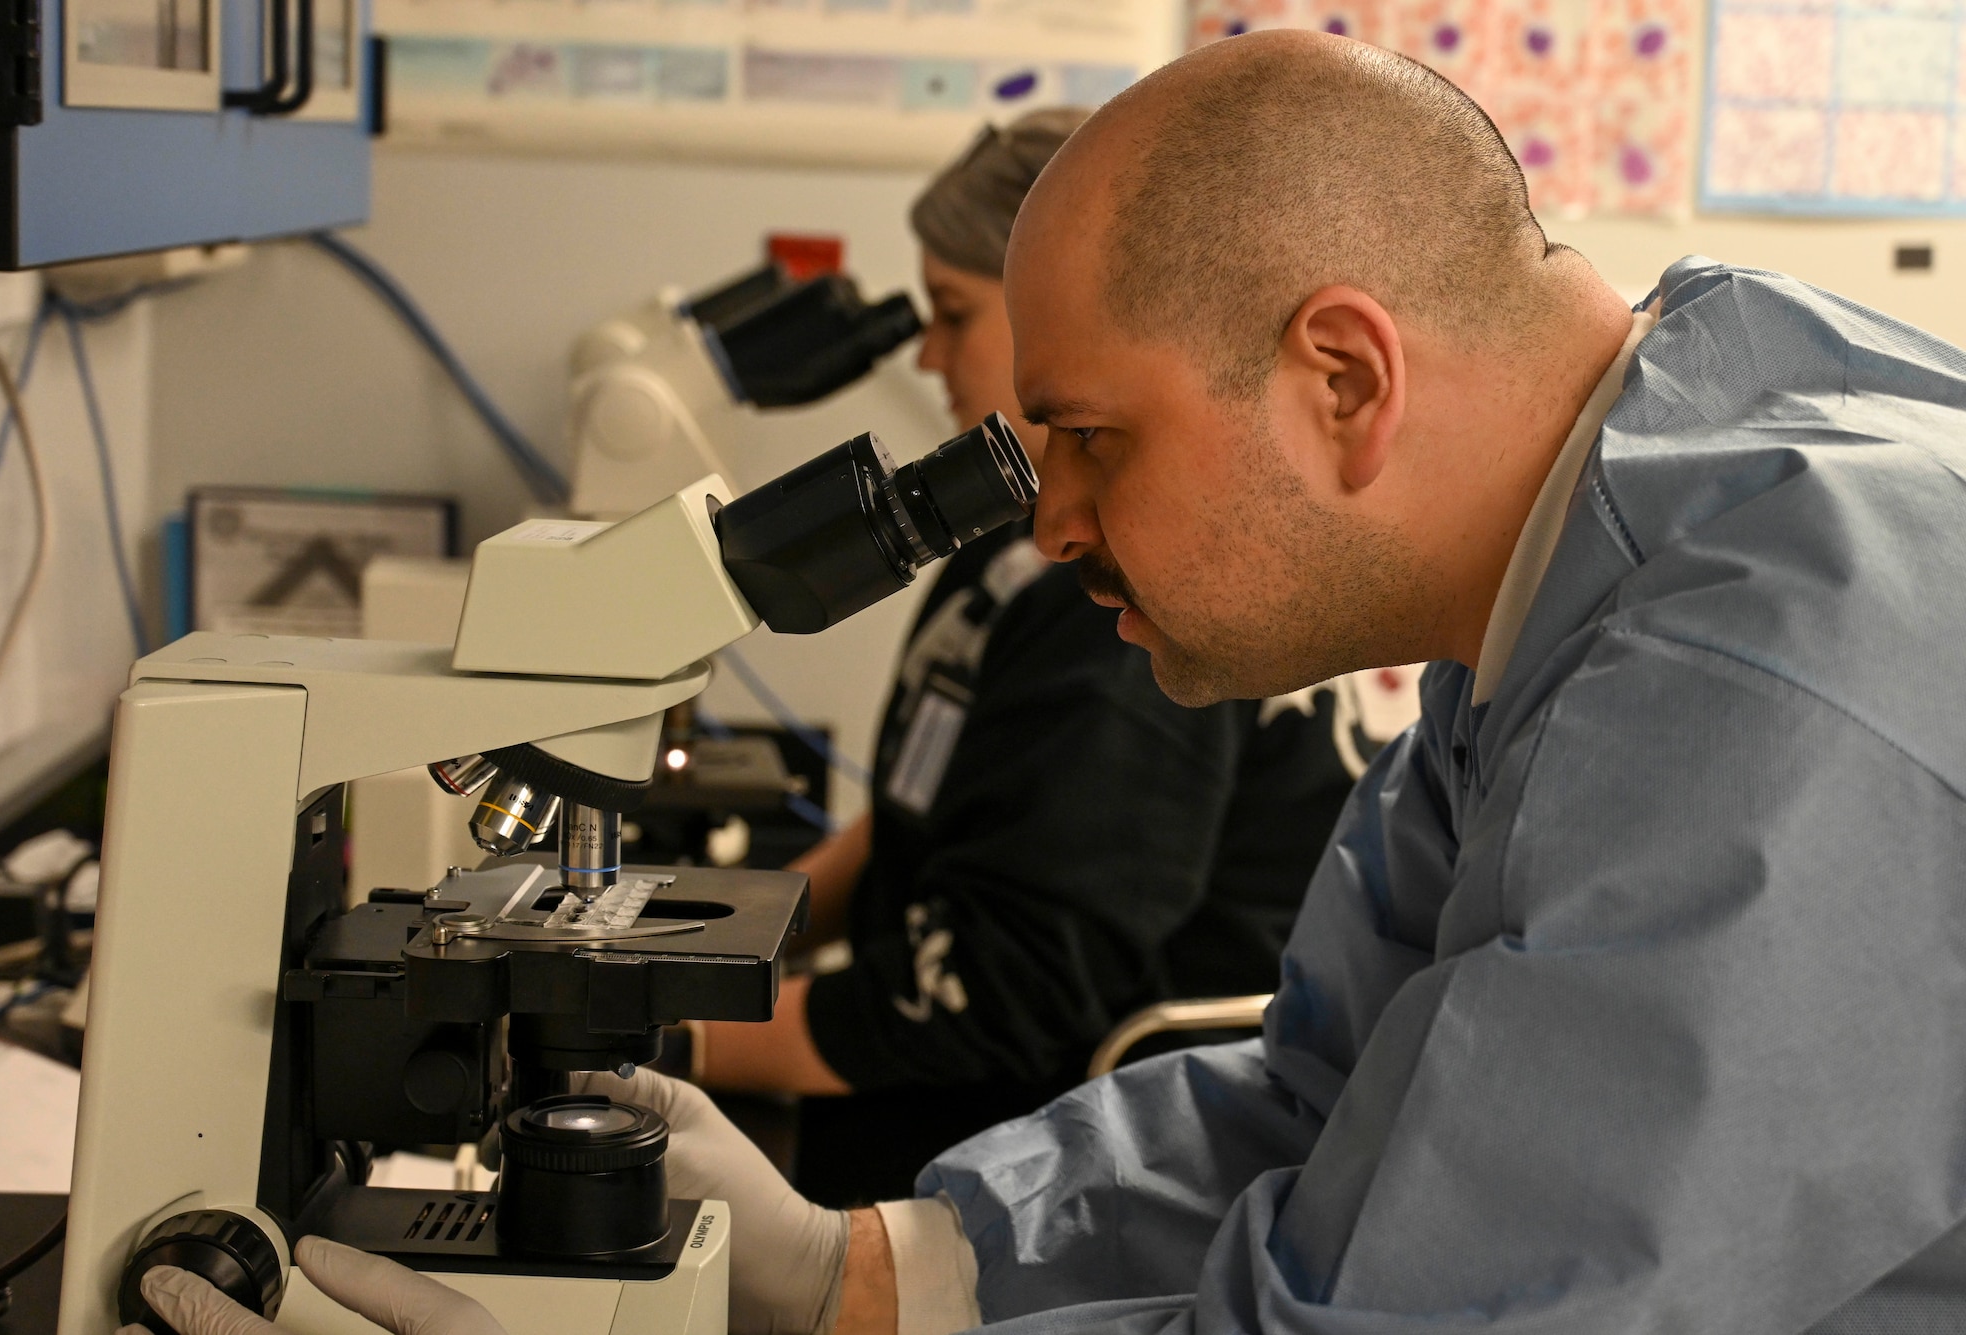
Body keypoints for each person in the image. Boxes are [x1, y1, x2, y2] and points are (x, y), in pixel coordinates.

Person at [148, 25, 1966, 1335]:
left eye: (1090, 441)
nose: (1056, 524)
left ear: (1344, 377)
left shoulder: (1763, 677)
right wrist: (858, 1273)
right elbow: (1321, 1104)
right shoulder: (1604, 554)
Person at [683, 107, 1359, 1207]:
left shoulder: (1115, 589)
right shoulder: (1014, 544)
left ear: (1055, 313)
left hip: (1062, 1135)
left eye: (952, 314)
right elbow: (914, 812)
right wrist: (724, 942)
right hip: (972, 1062)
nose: (923, 353)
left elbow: (1006, 991)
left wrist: (670, 1041)